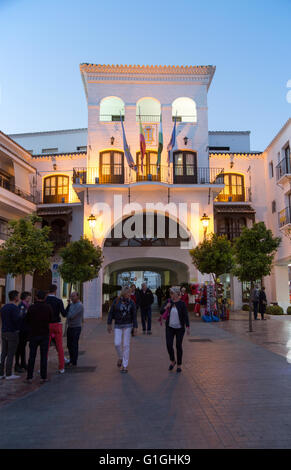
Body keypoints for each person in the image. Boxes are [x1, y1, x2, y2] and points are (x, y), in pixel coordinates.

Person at [25, 290, 53, 384]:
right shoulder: (48, 307)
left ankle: (29, 377)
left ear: (36, 297)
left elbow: (27, 320)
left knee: (32, 356)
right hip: (44, 334)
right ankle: (43, 377)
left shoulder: (31, 308)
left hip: (33, 334)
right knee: (43, 356)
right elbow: (51, 319)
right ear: (45, 297)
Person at [107, 286, 137, 373]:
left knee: (126, 345)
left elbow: (134, 315)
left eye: (130, 293)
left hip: (128, 325)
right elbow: (111, 312)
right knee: (117, 343)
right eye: (128, 293)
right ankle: (120, 357)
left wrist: (135, 327)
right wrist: (109, 324)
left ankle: (125, 365)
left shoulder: (132, 303)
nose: (129, 294)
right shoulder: (116, 301)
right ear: (123, 293)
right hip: (118, 325)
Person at [160, 286, 190, 373]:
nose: (171, 295)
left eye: (172, 293)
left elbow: (185, 316)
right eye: (170, 293)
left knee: (178, 346)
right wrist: (166, 307)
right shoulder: (168, 302)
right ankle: (173, 361)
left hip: (180, 328)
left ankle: (179, 365)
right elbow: (161, 311)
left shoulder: (182, 304)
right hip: (170, 327)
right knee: (169, 344)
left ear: (177, 294)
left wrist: (187, 326)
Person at [0, 290, 21, 380]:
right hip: (12, 332)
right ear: (15, 297)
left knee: (3, 353)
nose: (18, 298)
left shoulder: (4, 307)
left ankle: (1, 373)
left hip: (4, 331)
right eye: (18, 296)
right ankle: (8, 373)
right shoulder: (14, 308)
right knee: (10, 353)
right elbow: (17, 320)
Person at [46, 284, 66, 373]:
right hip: (57, 325)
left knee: (45, 347)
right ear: (55, 290)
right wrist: (69, 306)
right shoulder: (58, 301)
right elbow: (64, 314)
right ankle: (61, 367)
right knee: (60, 347)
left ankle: (43, 367)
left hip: (47, 325)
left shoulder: (45, 300)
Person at [65, 292, 84, 367]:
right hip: (70, 327)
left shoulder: (79, 305)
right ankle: (71, 359)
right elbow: (66, 313)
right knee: (69, 345)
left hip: (76, 327)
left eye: (73, 296)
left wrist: (67, 313)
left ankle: (74, 361)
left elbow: (71, 315)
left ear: (77, 296)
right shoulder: (71, 304)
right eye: (71, 296)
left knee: (74, 344)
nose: (72, 298)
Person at [15, 291, 31, 373]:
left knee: (23, 347)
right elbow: (21, 316)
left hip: (25, 330)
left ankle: (23, 363)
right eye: (28, 296)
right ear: (25, 297)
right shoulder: (22, 306)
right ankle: (18, 364)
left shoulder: (26, 305)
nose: (30, 298)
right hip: (22, 330)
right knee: (19, 348)